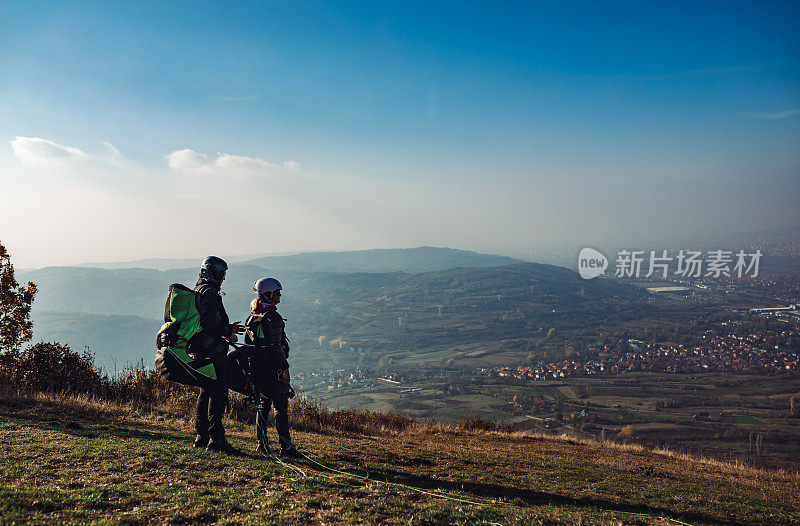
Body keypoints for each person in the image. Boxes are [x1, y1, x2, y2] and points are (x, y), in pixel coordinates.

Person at [190, 256, 244, 454]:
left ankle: (201, 436)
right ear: (210, 272)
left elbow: (205, 323)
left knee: (206, 392)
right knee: (218, 393)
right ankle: (216, 439)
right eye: (221, 274)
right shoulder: (211, 293)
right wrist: (227, 332)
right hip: (213, 352)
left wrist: (227, 328)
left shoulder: (198, 290)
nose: (223, 278)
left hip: (200, 350)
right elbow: (209, 324)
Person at [246, 277, 300, 457]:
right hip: (275, 371)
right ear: (268, 295)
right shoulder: (273, 318)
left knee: (262, 408)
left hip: (260, 371)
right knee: (280, 410)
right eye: (277, 293)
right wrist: (285, 368)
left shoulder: (255, 315)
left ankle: (262, 445)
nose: (280, 296)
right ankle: (286, 448)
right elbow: (276, 346)